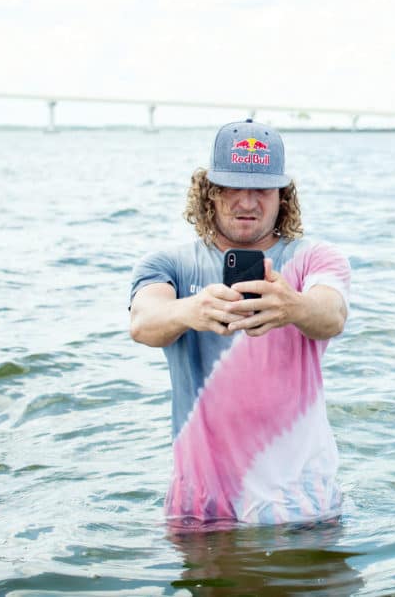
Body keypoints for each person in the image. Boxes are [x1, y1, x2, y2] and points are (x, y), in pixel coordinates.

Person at [129, 119, 350, 525]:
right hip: (201, 507)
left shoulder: (316, 258)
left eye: (262, 190)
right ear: (210, 192)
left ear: (283, 196)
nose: (247, 203)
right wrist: (190, 310)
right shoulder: (169, 263)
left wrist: (292, 306)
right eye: (233, 187)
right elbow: (143, 322)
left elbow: (332, 314)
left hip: (304, 501)